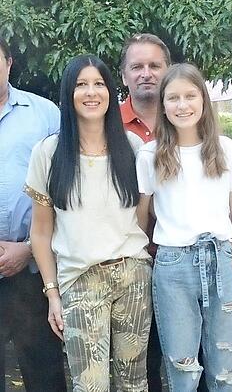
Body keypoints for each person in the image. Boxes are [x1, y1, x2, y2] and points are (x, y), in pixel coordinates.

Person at [26, 54, 152, 390]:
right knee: (90, 384)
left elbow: (141, 217)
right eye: (81, 85)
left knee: (134, 382)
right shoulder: (49, 153)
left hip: (133, 276)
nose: (91, 92)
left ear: (111, 92)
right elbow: (40, 233)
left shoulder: (133, 147)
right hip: (80, 280)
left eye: (99, 84)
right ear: (69, 94)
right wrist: (52, 293)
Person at [135, 63, 232, 391]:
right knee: (182, 367)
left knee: (223, 370)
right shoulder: (151, 155)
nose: (182, 105)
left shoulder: (226, 149)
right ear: (162, 105)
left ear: (203, 100)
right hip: (173, 265)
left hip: (220, 262)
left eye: (190, 96)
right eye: (173, 98)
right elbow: (142, 217)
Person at [0, 38, 67, 392]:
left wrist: (28, 248)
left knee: (44, 373)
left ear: (9, 62)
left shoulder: (45, 115)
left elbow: (66, 194)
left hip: (32, 271)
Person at [118, 32, 171, 392]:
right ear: (123, 76)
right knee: (142, 363)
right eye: (137, 66)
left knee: (192, 358)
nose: (146, 73)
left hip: (181, 260)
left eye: (155, 65)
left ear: (168, 70)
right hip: (129, 264)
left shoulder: (188, 115)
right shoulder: (105, 124)